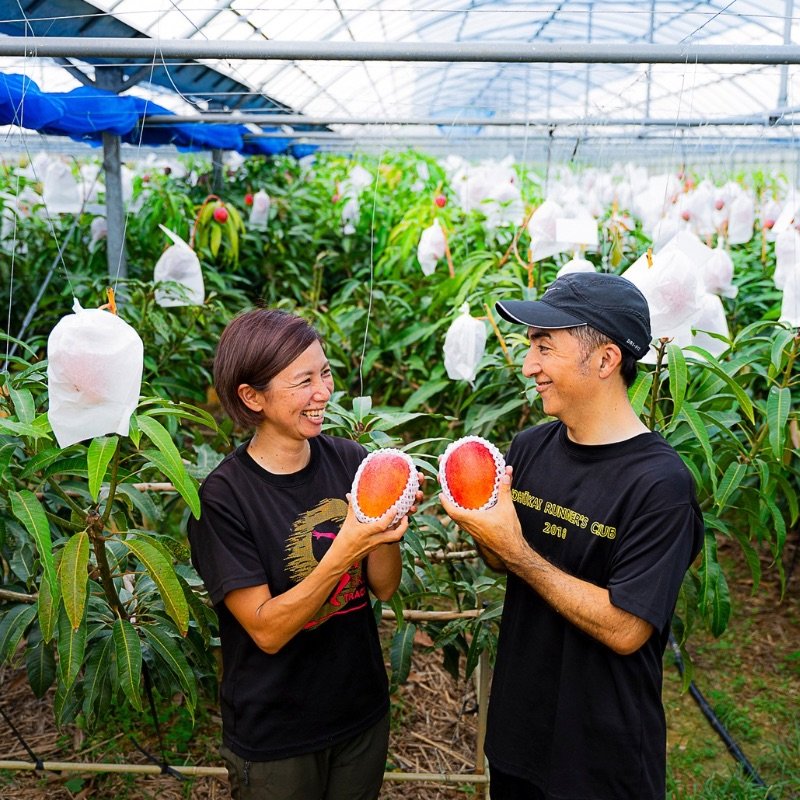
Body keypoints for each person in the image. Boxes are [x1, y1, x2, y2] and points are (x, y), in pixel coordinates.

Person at [439, 272, 704, 800]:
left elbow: (626, 628)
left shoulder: (659, 486)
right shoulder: (531, 446)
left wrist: (516, 551)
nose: (528, 365)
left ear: (605, 360)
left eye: (545, 347)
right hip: (519, 733)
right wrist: (481, 526)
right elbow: (501, 560)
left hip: (600, 757)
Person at [188, 308, 421, 800]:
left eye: (325, 373)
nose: (324, 392)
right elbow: (267, 631)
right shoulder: (224, 499)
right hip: (277, 735)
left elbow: (383, 586)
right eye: (303, 381)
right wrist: (347, 546)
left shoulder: (351, 461)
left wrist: (387, 529)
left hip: (359, 713)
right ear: (252, 397)